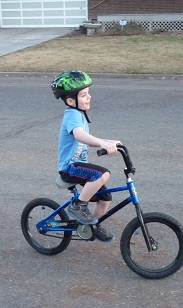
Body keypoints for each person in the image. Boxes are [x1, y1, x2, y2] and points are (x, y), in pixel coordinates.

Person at [51, 70, 121, 242]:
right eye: (83, 95)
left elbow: (87, 140)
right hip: (70, 167)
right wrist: (102, 143)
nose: (88, 97)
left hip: (78, 167)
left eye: (88, 93)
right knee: (102, 174)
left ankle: (93, 225)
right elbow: (79, 136)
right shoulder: (73, 115)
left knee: (105, 197)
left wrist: (109, 141)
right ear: (70, 100)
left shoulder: (79, 115)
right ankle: (78, 205)